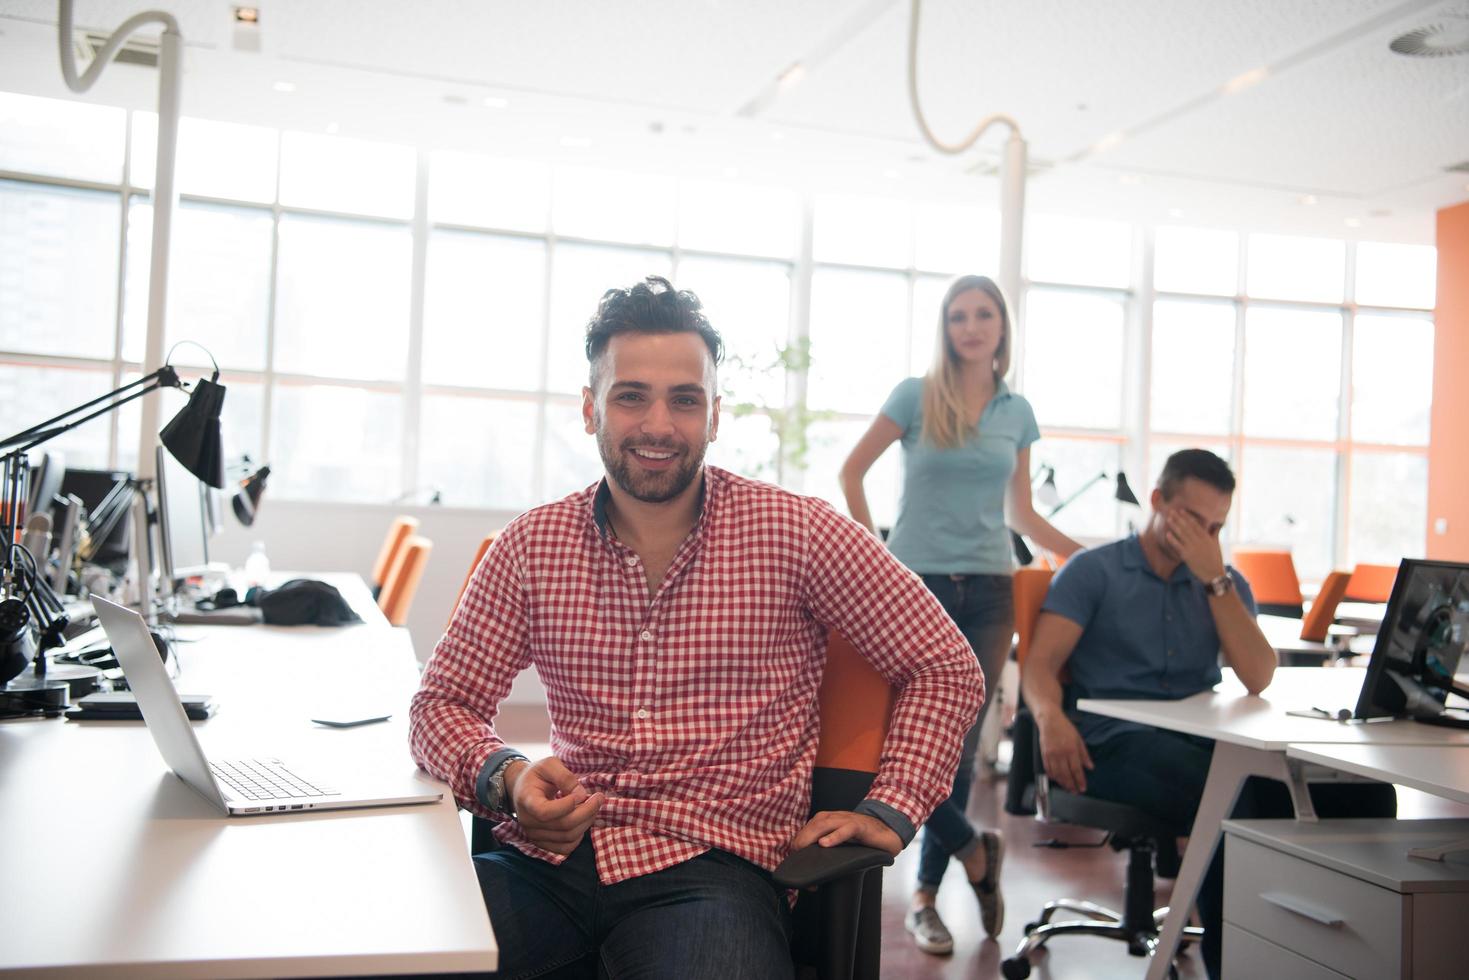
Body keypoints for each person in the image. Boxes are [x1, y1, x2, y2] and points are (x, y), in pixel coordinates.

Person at [409, 275, 985, 979]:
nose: (657, 425)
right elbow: (442, 703)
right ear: (590, 409)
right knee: (393, 957)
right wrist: (506, 776)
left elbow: (944, 665)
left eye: (684, 399)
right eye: (630, 396)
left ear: (714, 414)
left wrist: (892, 805)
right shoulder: (531, 546)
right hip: (549, 861)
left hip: (714, 874)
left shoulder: (795, 533)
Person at [1021, 448, 1395, 980]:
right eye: (1193, 521)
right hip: (1112, 742)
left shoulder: (1224, 582)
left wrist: (1214, 579)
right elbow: (1040, 664)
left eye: (1215, 527)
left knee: (1364, 793)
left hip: (1201, 738)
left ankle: (1333, 955)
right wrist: (1050, 720)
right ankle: (1238, 965)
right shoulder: (1094, 572)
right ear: (1156, 501)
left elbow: (1259, 675)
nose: (1204, 537)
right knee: (1234, 799)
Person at [839, 274, 1082, 955]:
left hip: (990, 589)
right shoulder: (914, 396)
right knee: (892, 741)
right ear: (944, 329)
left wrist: (1092, 555)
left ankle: (924, 898)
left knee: (958, 749)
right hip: (913, 584)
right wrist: (875, 557)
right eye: (957, 316)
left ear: (1001, 327)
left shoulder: (1016, 411)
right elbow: (851, 471)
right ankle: (974, 850)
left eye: (982, 315)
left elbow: (1022, 513)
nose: (970, 327)